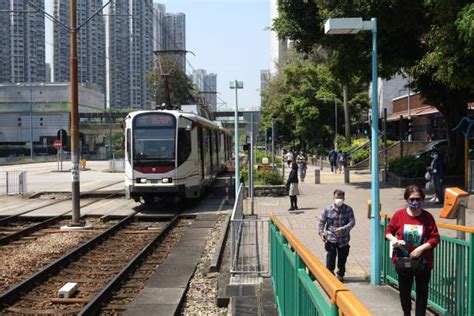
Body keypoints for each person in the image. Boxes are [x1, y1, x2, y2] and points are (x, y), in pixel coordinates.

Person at [385, 185, 440, 316]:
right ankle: (407, 313)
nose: (415, 202)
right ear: (406, 199)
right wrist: (393, 239)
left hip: (423, 261)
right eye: (412, 199)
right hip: (404, 260)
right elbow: (388, 231)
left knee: (422, 291)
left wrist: (421, 248)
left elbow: (435, 238)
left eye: (418, 199)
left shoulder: (427, 217)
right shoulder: (399, 215)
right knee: (404, 291)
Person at [318, 189, 355, 282]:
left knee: (342, 259)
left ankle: (340, 274)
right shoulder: (327, 210)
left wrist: (343, 229)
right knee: (330, 257)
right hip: (331, 238)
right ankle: (330, 274)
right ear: (333, 198)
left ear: (344, 198)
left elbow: (352, 222)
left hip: (344, 239)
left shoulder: (348, 209)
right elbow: (321, 222)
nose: (339, 200)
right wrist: (321, 233)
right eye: (337, 198)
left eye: (341, 198)